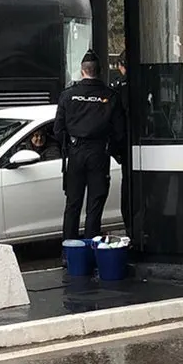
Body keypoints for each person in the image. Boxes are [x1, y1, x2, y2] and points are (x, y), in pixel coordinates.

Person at [54, 50, 125, 242]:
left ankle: (69, 251)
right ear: (99, 71)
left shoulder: (68, 96)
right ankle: (91, 249)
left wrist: (69, 147)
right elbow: (119, 132)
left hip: (75, 153)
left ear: (82, 71)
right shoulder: (110, 96)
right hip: (98, 154)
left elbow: (58, 129)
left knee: (72, 205)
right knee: (95, 205)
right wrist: (112, 150)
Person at [111, 51, 131, 235]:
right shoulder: (143, 84)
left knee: (127, 189)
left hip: (125, 146)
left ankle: (129, 226)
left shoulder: (118, 88)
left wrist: (116, 150)